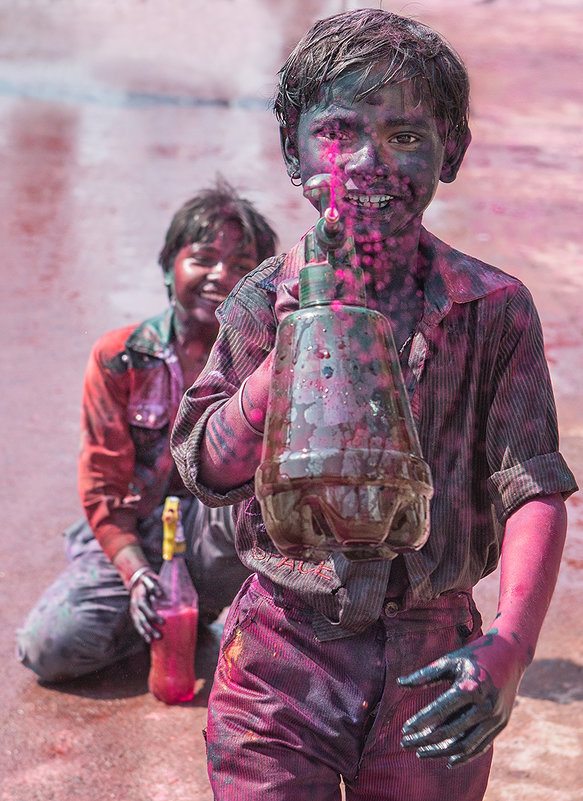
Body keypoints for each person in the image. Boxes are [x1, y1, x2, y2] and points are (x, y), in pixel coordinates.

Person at [170, 10, 577, 801]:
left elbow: (533, 487)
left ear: (450, 150)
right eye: (339, 132)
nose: (367, 161)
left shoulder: (491, 309)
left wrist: (511, 648)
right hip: (280, 655)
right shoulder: (262, 303)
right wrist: (275, 375)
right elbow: (206, 465)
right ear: (292, 148)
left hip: (434, 655)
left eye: (405, 137)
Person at [17, 178, 278, 683]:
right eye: (203, 258)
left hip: (217, 540)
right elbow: (102, 490)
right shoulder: (119, 358)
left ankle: (215, 610)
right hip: (135, 535)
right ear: (169, 265)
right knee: (47, 650)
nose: (220, 277)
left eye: (242, 268)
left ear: (260, 288)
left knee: (264, 503)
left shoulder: (268, 366)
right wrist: (137, 574)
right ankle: (164, 616)